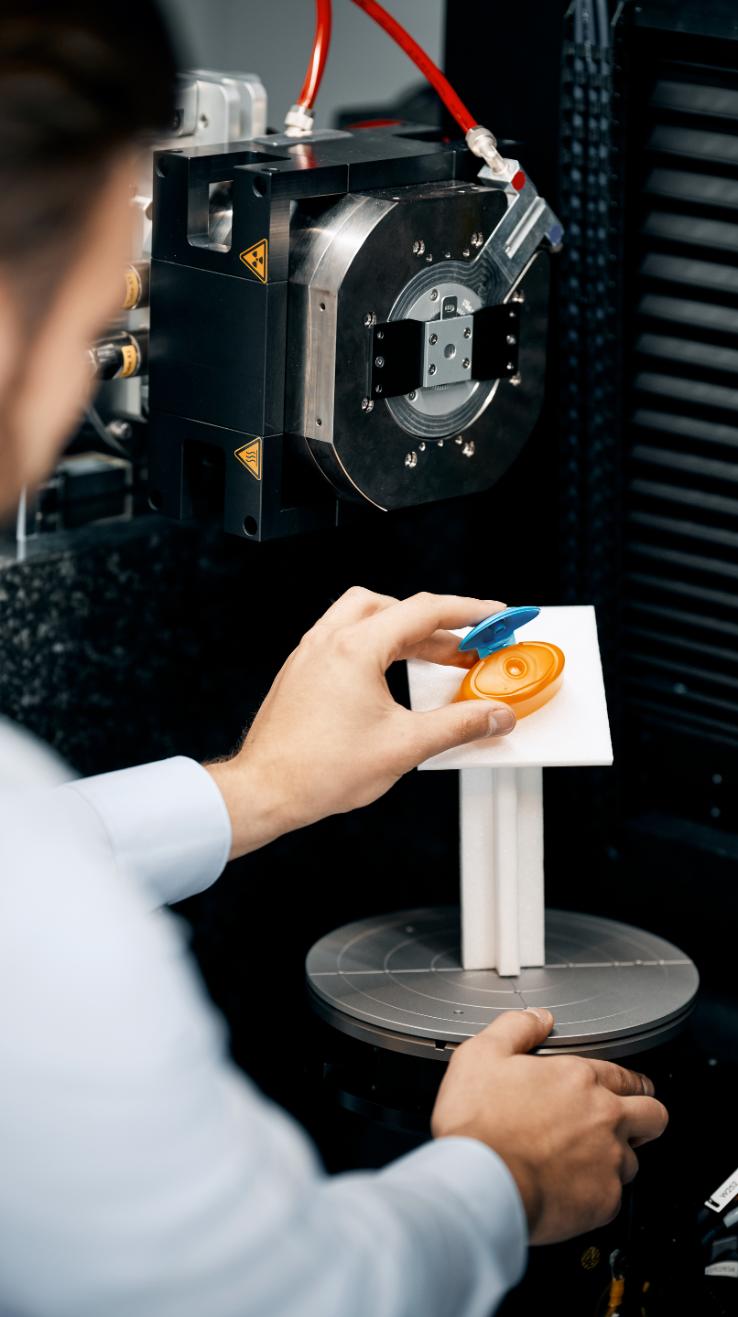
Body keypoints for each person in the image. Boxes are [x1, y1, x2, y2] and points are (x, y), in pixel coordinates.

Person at [0, 4, 669, 1314]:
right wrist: (496, 1177)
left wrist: (256, 786)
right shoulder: (54, 943)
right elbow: (270, 1296)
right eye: (95, 313)